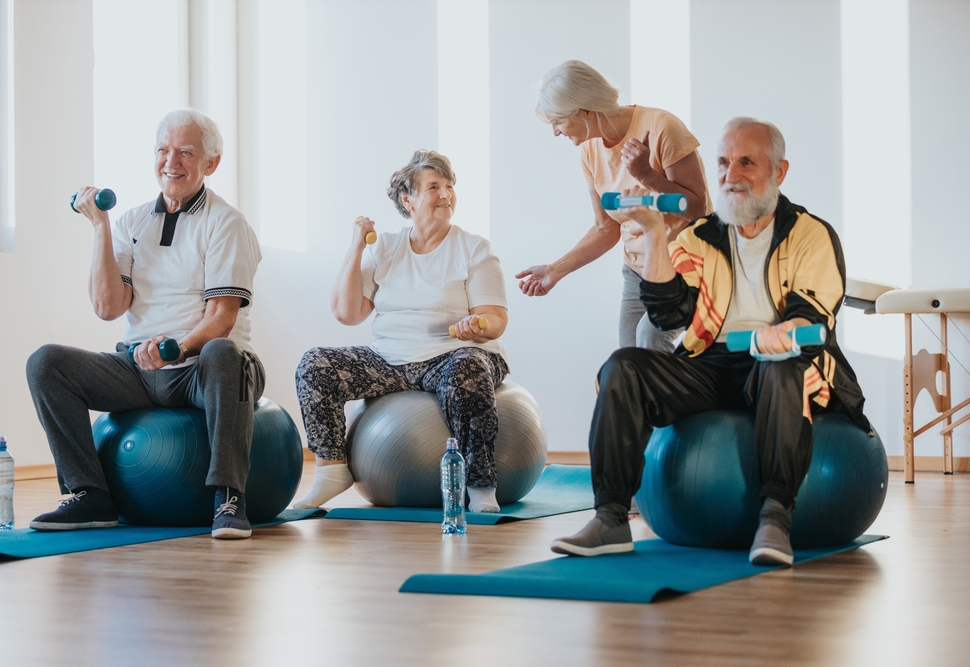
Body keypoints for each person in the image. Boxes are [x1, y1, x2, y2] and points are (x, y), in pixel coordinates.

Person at [550, 118, 871, 565]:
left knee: (780, 363)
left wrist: (782, 333)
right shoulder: (701, 236)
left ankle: (775, 520)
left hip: (784, 359)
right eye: (722, 163)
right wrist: (656, 231)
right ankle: (611, 518)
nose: (730, 175)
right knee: (623, 367)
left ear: (779, 172)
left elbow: (814, 313)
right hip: (713, 361)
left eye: (746, 163)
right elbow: (669, 314)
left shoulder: (810, 234)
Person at [26, 109, 264, 539]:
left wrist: (176, 348)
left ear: (211, 164)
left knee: (222, 352)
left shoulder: (227, 224)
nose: (171, 161)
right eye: (163, 150)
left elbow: (222, 319)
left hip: (204, 371)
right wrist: (100, 227)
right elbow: (107, 307)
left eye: (186, 152)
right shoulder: (132, 222)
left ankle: (229, 497)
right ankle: (89, 494)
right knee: (46, 363)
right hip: (139, 368)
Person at [294, 150, 510, 512]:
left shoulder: (473, 248)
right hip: (391, 358)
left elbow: (496, 318)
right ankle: (331, 470)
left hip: (453, 355)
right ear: (407, 200)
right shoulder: (386, 247)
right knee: (316, 365)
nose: (445, 194)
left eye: (449, 186)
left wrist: (478, 325)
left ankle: (480, 485)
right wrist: (355, 246)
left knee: (467, 368)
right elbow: (347, 314)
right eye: (433, 187)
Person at [516, 60, 711, 351]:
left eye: (558, 120)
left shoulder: (662, 127)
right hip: (637, 271)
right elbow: (605, 227)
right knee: (627, 359)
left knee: (650, 338)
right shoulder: (589, 150)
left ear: (585, 110)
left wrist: (646, 175)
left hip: (688, 267)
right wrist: (555, 270)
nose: (556, 132)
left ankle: (677, 395)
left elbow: (698, 208)